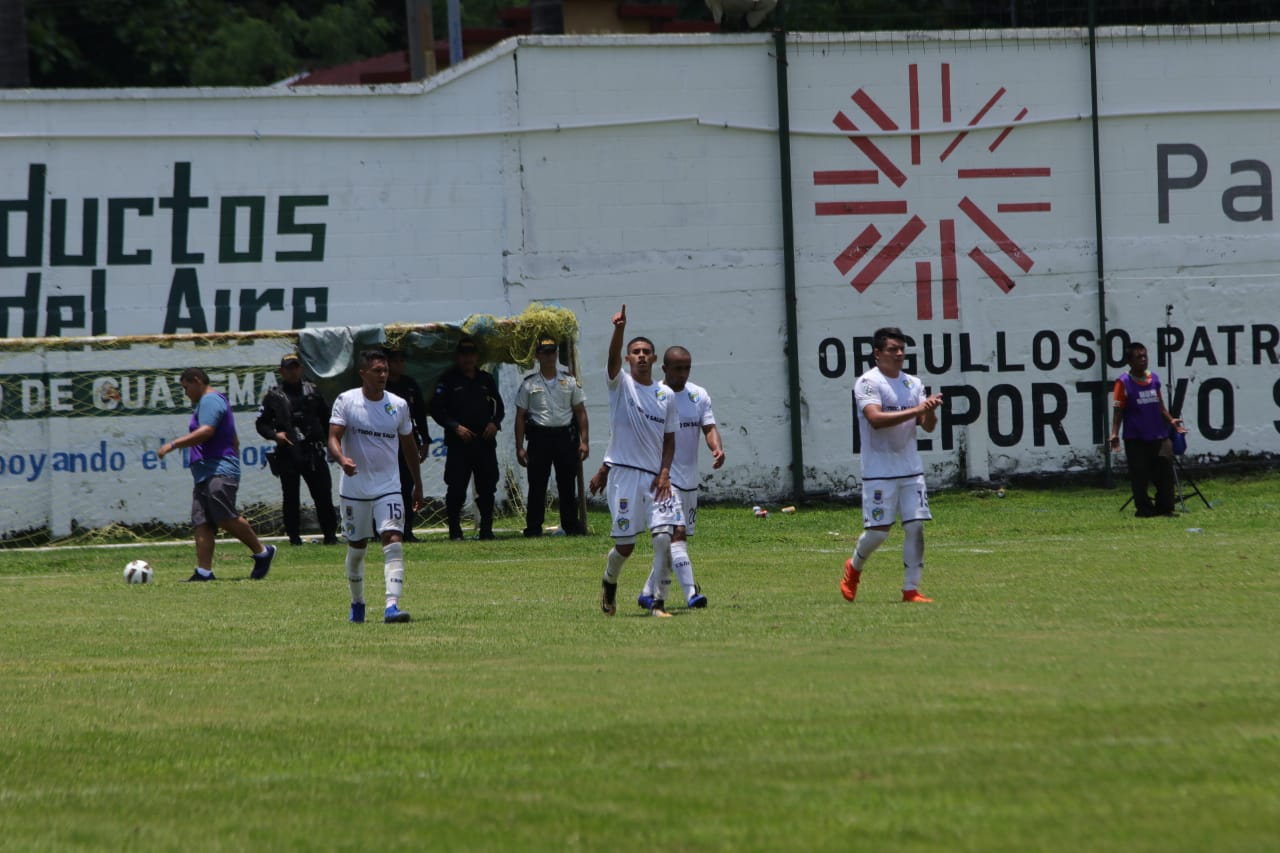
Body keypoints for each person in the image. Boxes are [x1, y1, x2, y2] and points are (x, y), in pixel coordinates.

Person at [840, 327, 943, 604]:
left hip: (911, 468)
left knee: (916, 526)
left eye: (901, 349)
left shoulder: (913, 383)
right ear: (877, 353)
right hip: (879, 470)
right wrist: (918, 410)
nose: (899, 354)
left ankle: (911, 589)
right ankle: (854, 568)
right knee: (877, 532)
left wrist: (930, 411)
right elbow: (875, 418)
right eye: (892, 349)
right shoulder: (868, 383)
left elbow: (928, 426)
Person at [328, 348, 423, 624]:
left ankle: (392, 606)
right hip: (355, 488)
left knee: (393, 538)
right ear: (363, 373)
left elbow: (409, 446)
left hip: (389, 486)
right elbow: (333, 437)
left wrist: (417, 484)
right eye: (377, 371)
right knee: (357, 548)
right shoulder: (346, 401)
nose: (383, 375)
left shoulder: (398, 405)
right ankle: (357, 603)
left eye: (385, 371)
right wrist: (342, 458)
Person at [158, 367, 276, 582]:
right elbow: (234, 439)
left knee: (224, 516)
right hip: (205, 472)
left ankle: (263, 552)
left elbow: (206, 432)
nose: (186, 393)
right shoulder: (206, 403)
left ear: (196, 380)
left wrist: (173, 444)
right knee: (202, 521)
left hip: (218, 470)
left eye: (186, 387)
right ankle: (204, 572)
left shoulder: (210, 400)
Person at [597, 304, 678, 617]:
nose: (642, 355)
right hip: (625, 477)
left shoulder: (666, 395)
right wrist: (619, 330)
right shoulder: (621, 386)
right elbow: (611, 359)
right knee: (626, 547)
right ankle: (609, 581)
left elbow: (669, 439)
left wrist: (665, 472)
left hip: (656, 478)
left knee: (663, 538)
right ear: (629, 359)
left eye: (647, 352)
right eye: (636, 352)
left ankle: (658, 603)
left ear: (655, 359)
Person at [635, 345, 724, 613]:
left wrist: (716, 448)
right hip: (663, 480)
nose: (683, 374)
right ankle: (691, 594)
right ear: (664, 369)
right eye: (678, 368)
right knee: (677, 534)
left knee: (674, 544)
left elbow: (709, 427)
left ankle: (647, 592)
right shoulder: (654, 396)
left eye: (687, 368)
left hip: (689, 481)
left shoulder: (698, 395)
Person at [254, 352, 339, 546]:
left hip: (313, 451)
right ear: (281, 371)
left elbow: (327, 421)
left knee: (323, 495)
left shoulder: (313, 391)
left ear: (301, 369)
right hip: (288, 452)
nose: (293, 371)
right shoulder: (274, 395)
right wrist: (275, 435)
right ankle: (294, 538)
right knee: (291, 497)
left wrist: (333, 445)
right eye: (289, 368)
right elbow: (261, 424)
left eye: (296, 367)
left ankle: (330, 536)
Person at [430, 336, 505, 540]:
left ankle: (486, 530)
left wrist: (494, 423)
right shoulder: (448, 379)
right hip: (459, 443)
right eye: (464, 354)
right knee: (456, 488)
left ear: (477, 356)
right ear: (457, 356)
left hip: (484, 442)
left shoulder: (486, 379)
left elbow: (499, 407)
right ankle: (455, 532)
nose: (468, 358)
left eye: (471, 354)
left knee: (487, 488)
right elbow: (437, 409)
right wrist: (455, 427)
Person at [514, 336, 589, 537]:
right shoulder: (529, 384)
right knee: (537, 484)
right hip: (539, 438)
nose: (550, 356)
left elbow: (580, 411)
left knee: (567, 484)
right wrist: (519, 446)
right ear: (538, 356)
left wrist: (585, 441)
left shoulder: (570, 381)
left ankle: (571, 526)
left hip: (565, 437)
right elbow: (520, 416)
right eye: (545, 352)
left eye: (553, 352)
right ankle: (533, 528)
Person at [1109, 341, 1186, 517]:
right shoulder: (1123, 383)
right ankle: (1144, 509)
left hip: (1159, 435)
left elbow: (1160, 405)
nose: (1143, 360)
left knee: (1165, 473)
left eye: (1145, 356)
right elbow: (1118, 410)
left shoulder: (1154, 379)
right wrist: (1114, 433)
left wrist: (1171, 421)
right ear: (1129, 361)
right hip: (1136, 437)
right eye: (1138, 357)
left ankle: (1165, 507)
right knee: (1140, 476)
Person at [385, 349, 432, 541]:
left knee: (407, 487)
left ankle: (407, 529)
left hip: (407, 442)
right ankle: (380, 529)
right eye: (394, 361)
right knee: (385, 488)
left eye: (401, 360)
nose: (398, 364)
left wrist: (425, 440)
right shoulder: (380, 386)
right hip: (385, 443)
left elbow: (420, 414)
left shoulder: (409, 384)